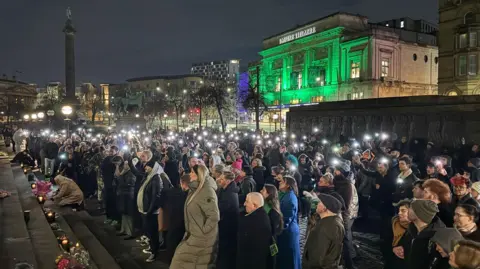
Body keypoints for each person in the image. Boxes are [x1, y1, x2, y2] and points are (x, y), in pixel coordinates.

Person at [170, 164, 219, 269]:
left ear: (199, 175)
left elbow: (214, 216)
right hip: (192, 235)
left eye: (192, 172)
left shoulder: (207, 191)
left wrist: (203, 231)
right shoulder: (194, 189)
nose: (189, 174)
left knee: (179, 261)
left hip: (200, 238)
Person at [302, 193, 345, 269]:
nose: (317, 204)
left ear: (325, 208)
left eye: (319, 203)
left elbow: (317, 257)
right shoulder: (336, 222)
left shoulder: (324, 228)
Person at [136, 159, 163, 262]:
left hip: (150, 211)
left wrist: (150, 210)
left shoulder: (156, 178)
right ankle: (152, 247)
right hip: (145, 210)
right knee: (149, 231)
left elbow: (155, 196)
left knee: (153, 232)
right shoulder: (148, 177)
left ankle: (155, 252)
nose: (145, 167)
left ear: (153, 168)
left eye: (147, 166)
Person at [405, 199, 445, 269]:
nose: (408, 210)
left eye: (411, 208)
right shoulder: (412, 228)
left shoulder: (437, 236)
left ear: (419, 214)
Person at [236, 192, 272, 269]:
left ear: (254, 205)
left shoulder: (255, 221)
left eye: (247, 201)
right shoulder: (261, 214)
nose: (244, 204)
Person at [277, 176, 301, 269]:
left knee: (289, 258)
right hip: (287, 231)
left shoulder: (289, 198)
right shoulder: (286, 195)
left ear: (288, 185)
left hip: (288, 232)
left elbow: (286, 218)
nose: (279, 182)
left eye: (282, 181)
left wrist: (278, 229)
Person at [217, 171, 240, 269]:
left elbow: (221, 208)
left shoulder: (229, 194)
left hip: (228, 225)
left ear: (227, 181)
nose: (219, 180)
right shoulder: (225, 190)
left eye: (222, 179)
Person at [260, 184, 283, 269]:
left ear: (268, 194)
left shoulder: (273, 211)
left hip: (269, 243)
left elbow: (274, 231)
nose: (260, 192)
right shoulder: (264, 206)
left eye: (263, 190)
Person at [114, 159, 136, 240]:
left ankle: (130, 232)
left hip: (128, 195)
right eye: (124, 164)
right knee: (124, 213)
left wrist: (119, 177)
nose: (124, 166)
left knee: (129, 214)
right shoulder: (124, 172)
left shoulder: (131, 174)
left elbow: (127, 184)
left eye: (126, 165)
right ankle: (124, 230)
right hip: (123, 194)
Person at [388, 199, 412, 269]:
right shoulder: (393, 224)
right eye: (399, 210)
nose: (399, 213)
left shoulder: (416, 227)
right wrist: (393, 249)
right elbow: (385, 241)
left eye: (403, 211)